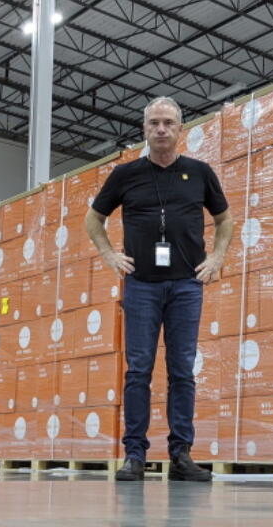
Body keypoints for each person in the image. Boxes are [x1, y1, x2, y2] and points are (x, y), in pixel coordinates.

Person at [85, 96, 233, 481]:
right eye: (154, 123)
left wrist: (216, 259)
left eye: (169, 123)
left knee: (182, 371)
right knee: (139, 370)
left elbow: (225, 219)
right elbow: (93, 219)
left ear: (181, 129)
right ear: (145, 129)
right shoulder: (124, 175)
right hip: (142, 287)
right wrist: (109, 256)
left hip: (186, 285)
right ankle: (135, 455)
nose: (162, 129)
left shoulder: (200, 172)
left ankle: (181, 455)